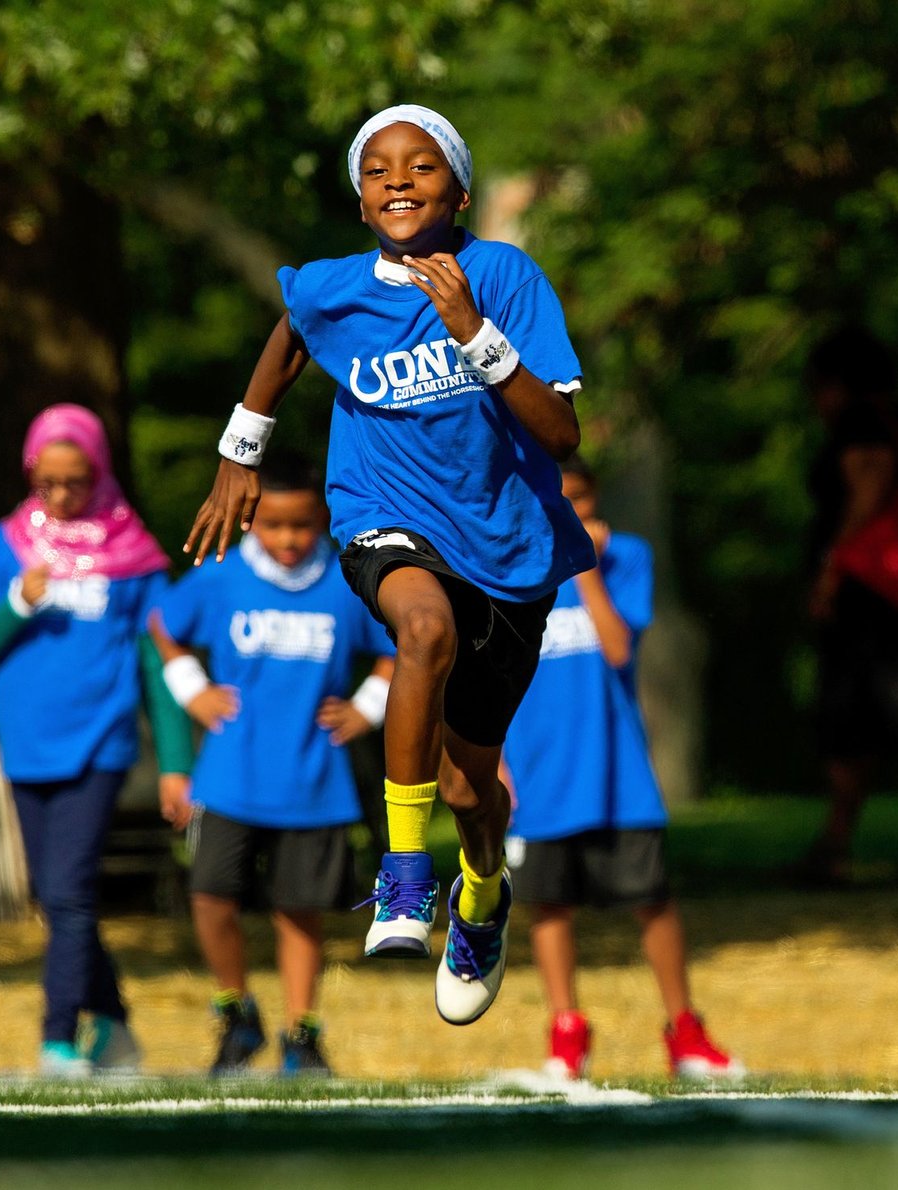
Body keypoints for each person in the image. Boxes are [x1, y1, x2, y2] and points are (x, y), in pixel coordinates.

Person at [183, 104, 592, 1027]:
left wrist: (472, 330)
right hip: (384, 517)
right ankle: (404, 873)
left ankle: (480, 898)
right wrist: (240, 451)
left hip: (510, 550)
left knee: (469, 789)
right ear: (362, 202)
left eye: (421, 166)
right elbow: (291, 335)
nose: (399, 180)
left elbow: (561, 433)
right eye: (378, 171)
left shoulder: (502, 276)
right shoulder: (333, 287)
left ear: (462, 191)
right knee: (422, 625)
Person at [0, 403, 188, 1076]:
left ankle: (58, 1039)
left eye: (75, 481)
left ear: (99, 472)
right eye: (45, 481)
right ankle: (114, 1027)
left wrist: (175, 765)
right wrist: (17, 603)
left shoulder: (135, 557)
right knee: (59, 896)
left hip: (102, 743)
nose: (59, 495)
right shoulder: (2, 547)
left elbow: (158, 665)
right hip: (26, 745)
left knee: (69, 892)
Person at [151, 453, 396, 1075]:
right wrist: (192, 689)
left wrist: (368, 706)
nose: (289, 540)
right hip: (230, 775)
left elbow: (402, 645)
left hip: (315, 780)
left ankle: (301, 1032)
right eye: (275, 526)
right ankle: (237, 1012)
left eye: (303, 527)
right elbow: (164, 627)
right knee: (209, 894)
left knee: (300, 908)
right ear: (251, 523)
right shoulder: (222, 577)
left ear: (323, 521)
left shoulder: (347, 582)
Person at [501, 457, 742, 1081]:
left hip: (617, 774)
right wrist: (495, 765)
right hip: (536, 776)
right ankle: (567, 1033)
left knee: (653, 901)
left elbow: (614, 646)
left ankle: (685, 1031)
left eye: (577, 503)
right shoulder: (505, 568)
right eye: (554, 503)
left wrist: (580, 565)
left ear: (595, 502)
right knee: (549, 907)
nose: (566, 515)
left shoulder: (625, 558)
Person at [800, 327, 898, 885]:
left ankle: (839, 846)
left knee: (857, 723)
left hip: (872, 597)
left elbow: (868, 490)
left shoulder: (861, 425)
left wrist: (830, 568)